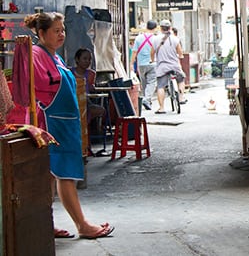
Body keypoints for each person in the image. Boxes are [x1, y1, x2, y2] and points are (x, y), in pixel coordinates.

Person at [24, 12, 114, 239]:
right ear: (41, 33)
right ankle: (82, 225)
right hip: (53, 125)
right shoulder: (36, 55)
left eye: (62, 30)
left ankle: (45, 223)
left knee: (52, 177)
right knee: (65, 176)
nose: (61, 34)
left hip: (67, 125)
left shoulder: (55, 57)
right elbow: (34, 91)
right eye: (56, 31)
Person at [70, 48, 106, 153]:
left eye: (89, 59)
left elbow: (91, 90)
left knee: (100, 110)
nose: (87, 62)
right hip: (73, 102)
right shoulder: (69, 73)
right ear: (77, 59)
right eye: (84, 59)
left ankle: (90, 139)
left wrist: (92, 88)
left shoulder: (91, 74)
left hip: (85, 102)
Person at [151, 19, 187, 114]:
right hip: (174, 65)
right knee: (181, 79)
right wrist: (181, 56)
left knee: (161, 86)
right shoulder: (175, 39)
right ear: (170, 28)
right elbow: (180, 52)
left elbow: (152, 52)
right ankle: (181, 97)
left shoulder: (155, 39)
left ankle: (162, 108)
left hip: (162, 66)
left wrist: (152, 59)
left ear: (160, 28)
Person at [131, 20, 158, 111]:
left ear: (146, 27)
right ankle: (146, 99)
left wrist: (131, 64)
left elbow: (134, 52)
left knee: (144, 83)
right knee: (152, 82)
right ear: (155, 28)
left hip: (141, 64)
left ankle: (147, 100)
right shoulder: (155, 39)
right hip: (152, 63)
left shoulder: (138, 38)